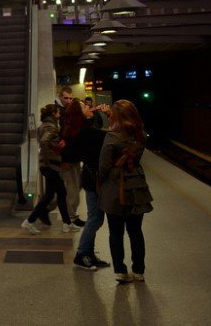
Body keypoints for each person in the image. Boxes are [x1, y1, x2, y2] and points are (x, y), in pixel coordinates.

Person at [99, 99, 153, 283]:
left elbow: (104, 166)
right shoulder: (140, 135)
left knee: (115, 232)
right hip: (136, 186)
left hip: (116, 187)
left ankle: (120, 271)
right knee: (136, 231)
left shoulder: (112, 137)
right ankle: (138, 271)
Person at [20, 103, 80, 235]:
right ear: (54, 114)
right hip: (50, 165)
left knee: (52, 195)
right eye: (58, 112)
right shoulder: (52, 127)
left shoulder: (43, 125)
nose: (60, 114)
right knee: (58, 194)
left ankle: (67, 223)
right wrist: (49, 158)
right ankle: (29, 221)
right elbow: (44, 142)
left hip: (48, 165)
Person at [66, 99, 110, 271]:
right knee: (95, 219)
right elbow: (111, 137)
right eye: (84, 107)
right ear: (80, 115)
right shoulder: (87, 133)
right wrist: (110, 116)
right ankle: (82, 254)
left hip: (91, 179)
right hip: (94, 181)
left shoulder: (81, 131)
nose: (89, 106)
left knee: (96, 218)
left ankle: (88, 254)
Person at [56, 86, 84, 226]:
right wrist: (63, 158)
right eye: (66, 98)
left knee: (69, 188)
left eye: (70, 98)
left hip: (73, 156)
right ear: (60, 97)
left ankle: (43, 209)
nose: (68, 101)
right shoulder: (58, 113)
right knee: (72, 189)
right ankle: (71, 217)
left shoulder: (69, 113)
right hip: (67, 158)